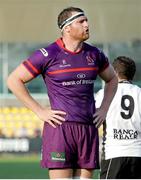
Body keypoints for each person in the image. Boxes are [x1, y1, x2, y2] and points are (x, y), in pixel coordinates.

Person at [7, 7, 117, 179]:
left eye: (87, 20)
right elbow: (13, 80)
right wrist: (39, 110)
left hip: (88, 128)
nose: (87, 24)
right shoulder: (47, 54)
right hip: (60, 129)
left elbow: (112, 79)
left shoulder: (95, 54)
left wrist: (104, 109)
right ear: (67, 28)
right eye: (81, 21)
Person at [95, 56, 141, 179]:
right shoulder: (139, 93)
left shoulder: (103, 94)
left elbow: (92, 120)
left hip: (114, 152)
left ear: (114, 72)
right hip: (137, 153)